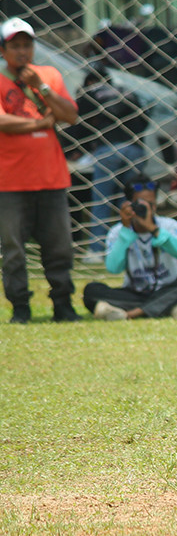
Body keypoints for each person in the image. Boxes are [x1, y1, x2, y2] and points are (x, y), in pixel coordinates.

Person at [0, 17, 81, 324]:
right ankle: (20, 307)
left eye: (27, 45)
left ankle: (63, 303)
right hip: (10, 181)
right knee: (14, 250)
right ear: (3, 50)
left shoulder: (49, 75)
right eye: (15, 46)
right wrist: (38, 124)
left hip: (51, 178)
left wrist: (41, 87)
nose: (22, 52)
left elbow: (69, 115)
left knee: (59, 247)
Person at [65, 60, 148, 263]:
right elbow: (144, 121)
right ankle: (131, 248)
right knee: (129, 200)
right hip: (135, 149)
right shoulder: (126, 91)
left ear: (90, 80)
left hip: (108, 149)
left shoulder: (90, 93)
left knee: (101, 200)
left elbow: (79, 125)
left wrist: (73, 150)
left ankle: (97, 250)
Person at [82, 180, 177, 320]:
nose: (145, 209)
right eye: (139, 204)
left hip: (167, 288)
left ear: (155, 205)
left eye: (150, 204)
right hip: (135, 292)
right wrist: (126, 233)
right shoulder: (118, 231)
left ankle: (130, 313)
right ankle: (169, 307)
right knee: (92, 290)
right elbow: (113, 268)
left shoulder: (169, 225)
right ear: (128, 205)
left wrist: (154, 230)